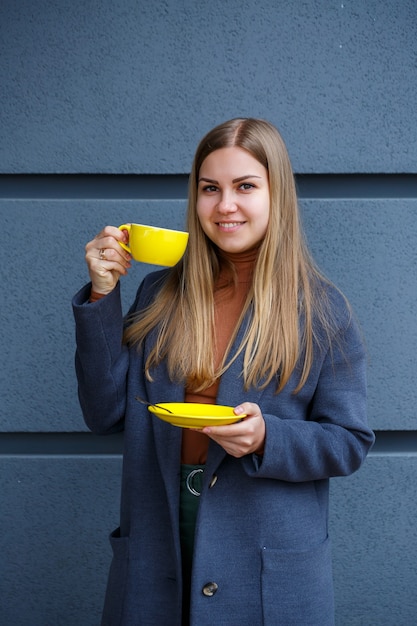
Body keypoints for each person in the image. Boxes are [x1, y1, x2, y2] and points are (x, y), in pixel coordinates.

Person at [72, 118, 374, 626]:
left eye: (245, 186)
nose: (225, 205)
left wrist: (265, 439)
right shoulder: (159, 295)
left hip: (263, 566)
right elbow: (105, 414)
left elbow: (349, 441)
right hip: (159, 538)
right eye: (210, 188)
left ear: (277, 195)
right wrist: (103, 295)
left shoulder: (322, 310)